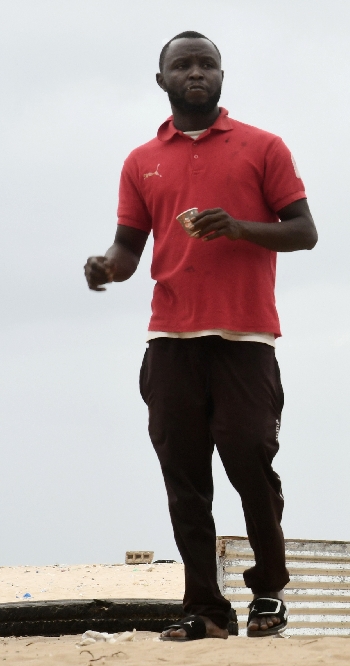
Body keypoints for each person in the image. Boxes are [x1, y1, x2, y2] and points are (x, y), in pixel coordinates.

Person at [83, 31, 318, 641]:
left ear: (221, 75)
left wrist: (239, 227)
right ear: (161, 79)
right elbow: (130, 246)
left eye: (206, 63)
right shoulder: (141, 161)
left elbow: (304, 231)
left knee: (251, 465)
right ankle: (207, 610)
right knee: (185, 481)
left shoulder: (263, 147)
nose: (195, 72)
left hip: (245, 340)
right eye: (182, 65)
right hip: (170, 341)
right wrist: (106, 267)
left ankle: (268, 592)